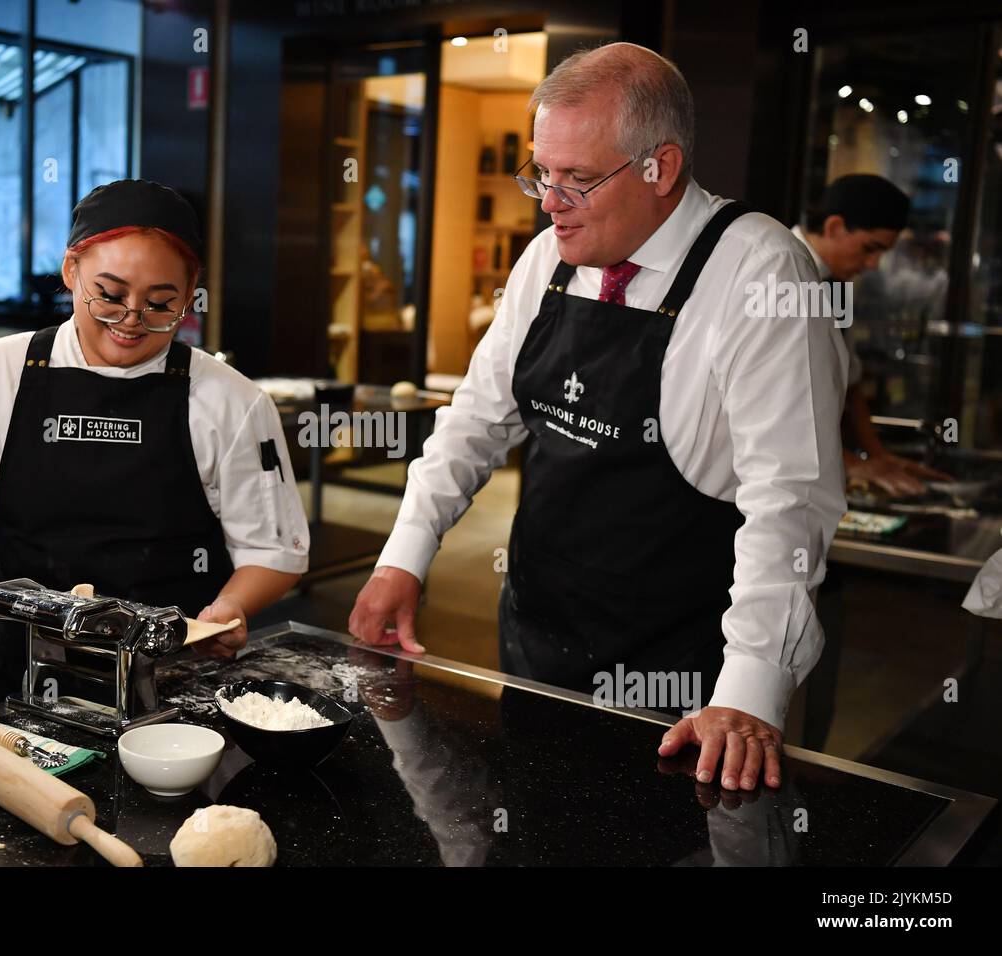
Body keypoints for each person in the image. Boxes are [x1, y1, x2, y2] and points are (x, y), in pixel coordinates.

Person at [349, 43, 848, 791]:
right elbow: (476, 421)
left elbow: (790, 498)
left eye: (577, 179)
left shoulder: (762, 272)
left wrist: (749, 689)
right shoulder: (547, 259)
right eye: (541, 174)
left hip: (684, 671)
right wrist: (404, 553)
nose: (549, 202)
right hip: (539, 633)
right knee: (534, 813)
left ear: (660, 168)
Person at [0, 179, 308, 708]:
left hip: (171, 685)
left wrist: (230, 607)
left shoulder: (231, 400)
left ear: (190, 291)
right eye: (109, 295)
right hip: (20, 678)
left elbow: (273, 550)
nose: (131, 320)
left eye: (161, 304)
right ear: (71, 270)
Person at [792, 174, 951, 497]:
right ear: (835, 227)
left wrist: (878, 456)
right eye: (870, 248)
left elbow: (850, 381)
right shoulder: (779, 272)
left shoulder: (834, 285)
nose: (874, 264)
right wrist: (850, 463)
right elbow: (775, 400)